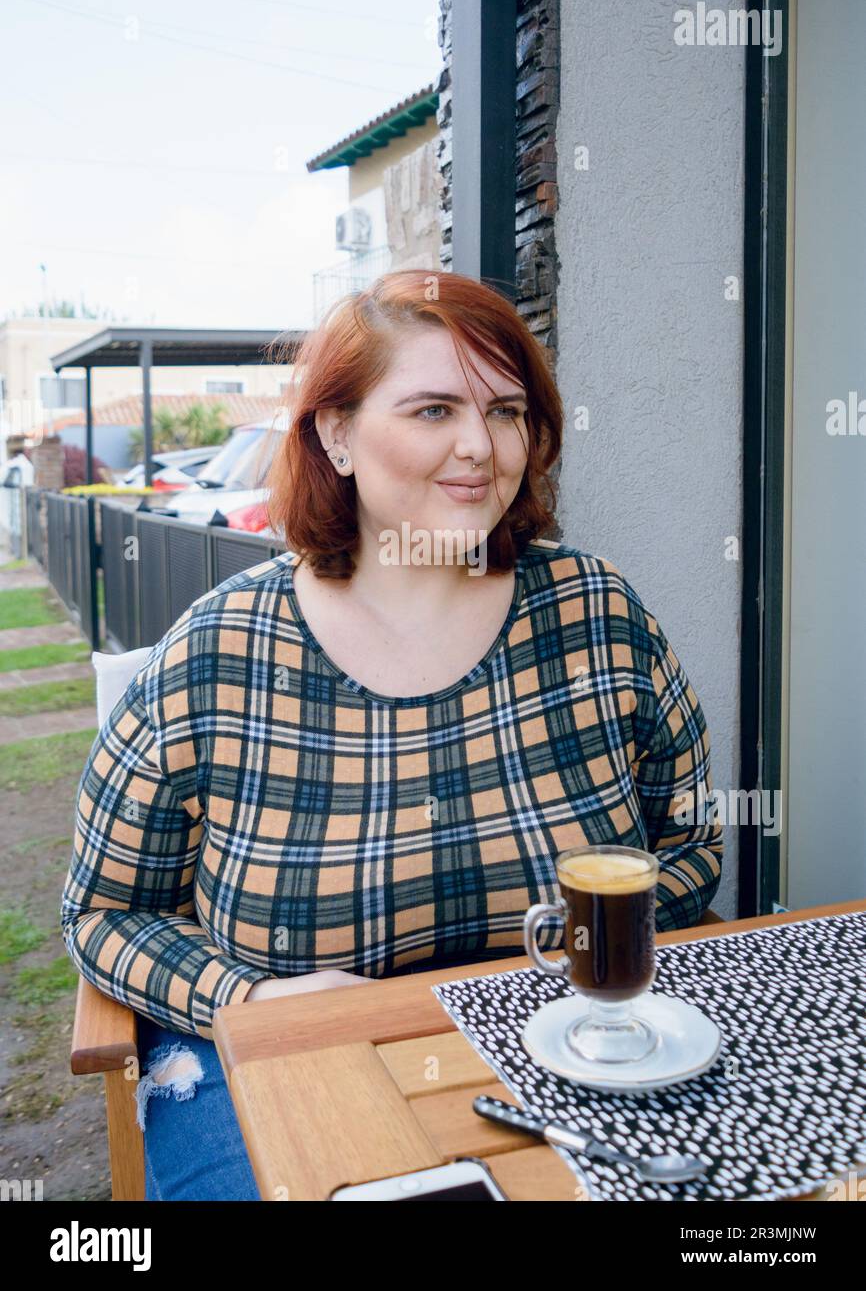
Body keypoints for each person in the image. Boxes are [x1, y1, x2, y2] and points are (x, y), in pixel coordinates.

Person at [61, 269, 722, 1199]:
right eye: (431, 410)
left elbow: (690, 842)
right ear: (336, 434)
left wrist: (578, 970)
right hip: (295, 1063)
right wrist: (248, 999)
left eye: (504, 411)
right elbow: (103, 914)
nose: (479, 449)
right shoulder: (217, 653)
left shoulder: (597, 611)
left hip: (578, 1049)